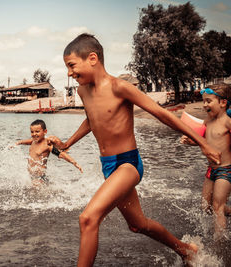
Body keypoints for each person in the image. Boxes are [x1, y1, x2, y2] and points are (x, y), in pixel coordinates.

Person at [48, 33, 221, 266]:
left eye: (71, 65)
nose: (69, 73)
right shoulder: (83, 91)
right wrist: (68, 143)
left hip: (128, 164)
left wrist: (203, 143)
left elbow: (160, 113)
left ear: (92, 58)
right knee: (138, 224)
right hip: (108, 166)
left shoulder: (120, 87)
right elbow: (93, 119)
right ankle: (186, 250)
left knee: (88, 219)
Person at [180, 83, 231, 241]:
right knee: (206, 207)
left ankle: (219, 244)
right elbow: (205, 141)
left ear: (223, 103)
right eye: (203, 101)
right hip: (211, 170)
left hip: (226, 169)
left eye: (209, 101)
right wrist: (191, 142)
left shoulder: (227, 122)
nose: (204, 105)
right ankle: (226, 210)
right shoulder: (207, 121)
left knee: (217, 207)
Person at [16, 119, 82, 185]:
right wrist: (19, 142)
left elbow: (61, 154)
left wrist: (74, 162)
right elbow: (28, 141)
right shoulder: (33, 141)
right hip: (31, 176)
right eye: (32, 132)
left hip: (40, 178)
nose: (34, 134)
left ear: (45, 131)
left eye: (37, 131)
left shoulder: (47, 144)